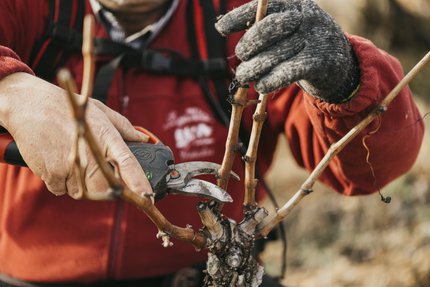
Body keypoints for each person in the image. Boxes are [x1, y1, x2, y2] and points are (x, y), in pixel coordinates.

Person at [0, 0, 424, 286]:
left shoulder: (249, 16)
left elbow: (373, 170)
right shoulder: (28, 9)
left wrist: (346, 80)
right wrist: (11, 92)